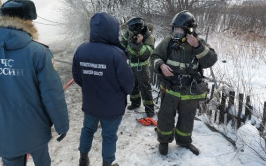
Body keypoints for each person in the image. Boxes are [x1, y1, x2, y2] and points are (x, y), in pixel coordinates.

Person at [0, 0, 69, 166]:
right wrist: (62, 125)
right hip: (35, 129)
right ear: (26, 21)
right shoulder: (38, 52)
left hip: (2, 131)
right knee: (42, 161)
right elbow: (52, 95)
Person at [150, 10, 217, 156]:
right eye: (175, 29)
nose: (177, 33)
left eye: (180, 30)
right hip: (170, 88)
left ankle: (184, 141)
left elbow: (210, 60)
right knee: (165, 116)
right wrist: (161, 65)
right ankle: (163, 141)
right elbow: (154, 57)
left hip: (190, 91)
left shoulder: (199, 43)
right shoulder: (168, 42)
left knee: (187, 118)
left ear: (189, 30)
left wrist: (198, 46)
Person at [72, 12, 135, 166]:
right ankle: (107, 164)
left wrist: (90, 87)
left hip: (90, 104)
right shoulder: (117, 54)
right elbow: (128, 84)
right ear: (112, 30)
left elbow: (77, 77)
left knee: (87, 130)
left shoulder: (81, 50)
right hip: (111, 107)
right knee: (109, 137)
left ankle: (83, 159)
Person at [120, 17, 155, 117]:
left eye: (131, 28)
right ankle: (135, 103)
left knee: (145, 88)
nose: (129, 30)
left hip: (142, 66)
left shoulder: (149, 37)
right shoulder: (129, 31)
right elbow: (122, 44)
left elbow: (146, 54)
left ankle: (149, 109)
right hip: (130, 64)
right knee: (132, 86)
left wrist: (139, 44)